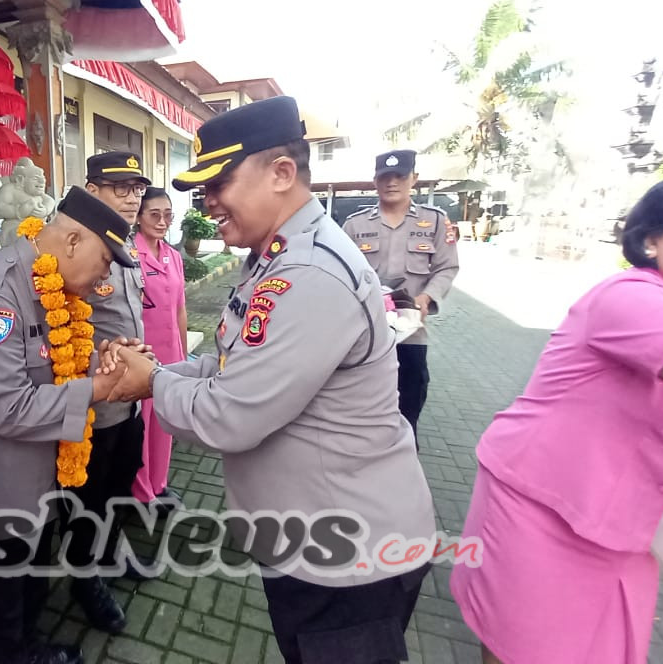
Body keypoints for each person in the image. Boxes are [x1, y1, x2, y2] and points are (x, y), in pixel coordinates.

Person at [102, 96, 436, 664]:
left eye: (219, 183)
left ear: (282, 172)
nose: (208, 203)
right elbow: (232, 363)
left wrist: (151, 383)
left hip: (346, 558)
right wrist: (159, 371)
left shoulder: (306, 272)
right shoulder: (274, 257)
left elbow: (230, 415)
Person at [449, 167, 663, 664]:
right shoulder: (627, 296)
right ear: (652, 239)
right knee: (526, 648)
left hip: (622, 521)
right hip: (541, 505)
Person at [0, 186, 138, 664]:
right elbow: (8, 407)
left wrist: (102, 367)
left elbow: (54, 370)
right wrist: (100, 391)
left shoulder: (50, 289)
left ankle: (29, 650)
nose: (106, 275)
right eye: (106, 261)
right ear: (71, 243)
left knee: (31, 589)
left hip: (38, 477)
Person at [60, 151, 151, 633]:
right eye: (121, 188)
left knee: (120, 488)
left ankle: (112, 552)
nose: (133, 196)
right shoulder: (71, 247)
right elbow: (52, 325)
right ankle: (84, 577)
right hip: (91, 405)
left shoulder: (127, 248)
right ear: (91, 190)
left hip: (129, 398)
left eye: (137, 188)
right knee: (88, 500)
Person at [343, 150, 459, 438]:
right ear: (374, 181)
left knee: (410, 398)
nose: (392, 182)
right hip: (364, 334)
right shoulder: (355, 225)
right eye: (385, 177)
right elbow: (339, 273)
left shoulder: (434, 222)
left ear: (414, 179)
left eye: (400, 176)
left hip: (410, 333)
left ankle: (405, 453)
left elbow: (447, 267)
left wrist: (426, 298)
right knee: (359, 402)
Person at [130, 187, 188, 507]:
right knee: (142, 425)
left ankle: (159, 483)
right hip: (141, 356)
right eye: (154, 214)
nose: (162, 221)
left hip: (170, 354)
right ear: (138, 218)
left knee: (163, 423)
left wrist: (182, 356)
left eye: (168, 215)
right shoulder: (128, 257)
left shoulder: (173, 256)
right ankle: (141, 492)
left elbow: (179, 308)